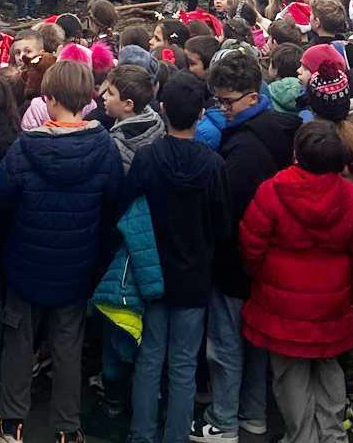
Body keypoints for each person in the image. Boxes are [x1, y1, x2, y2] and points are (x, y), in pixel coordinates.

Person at [0, 60, 123, 443]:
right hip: (76, 266)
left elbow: (0, 195)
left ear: (48, 99)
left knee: (18, 340)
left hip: (25, 264)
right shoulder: (105, 148)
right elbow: (114, 202)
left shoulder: (24, 148)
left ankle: (12, 420)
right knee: (68, 344)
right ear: (87, 99)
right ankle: (67, 427)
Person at [240, 120, 353, 443]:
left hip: (281, 304)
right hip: (332, 303)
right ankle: (331, 433)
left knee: (289, 375)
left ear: (296, 152)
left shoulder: (272, 190)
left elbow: (251, 245)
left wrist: (264, 279)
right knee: (329, 368)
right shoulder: (352, 199)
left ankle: (301, 436)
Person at [193, 53, 301, 443]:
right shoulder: (276, 128)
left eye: (228, 102)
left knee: (224, 346)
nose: (223, 109)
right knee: (254, 341)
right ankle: (253, 414)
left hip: (236, 261)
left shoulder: (242, 149)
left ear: (252, 97)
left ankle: (224, 421)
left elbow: (229, 209)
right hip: (263, 261)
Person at [126, 71, 231, 443]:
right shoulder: (213, 165)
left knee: (150, 358)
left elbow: (130, 211)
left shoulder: (146, 158)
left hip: (152, 271)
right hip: (194, 276)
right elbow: (222, 225)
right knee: (185, 363)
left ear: (162, 108)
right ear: (202, 113)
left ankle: (141, 435)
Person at [103, 64, 165, 172]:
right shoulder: (157, 123)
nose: (104, 96)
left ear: (128, 104)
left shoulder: (117, 147)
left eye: (110, 93)